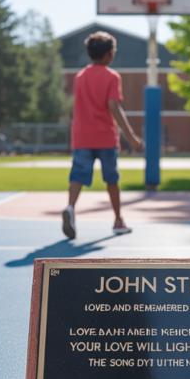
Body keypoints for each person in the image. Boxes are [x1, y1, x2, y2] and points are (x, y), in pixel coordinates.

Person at [62, 31, 143, 240]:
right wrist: (131, 136)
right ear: (109, 54)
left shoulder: (80, 77)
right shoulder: (112, 77)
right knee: (112, 179)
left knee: (78, 175)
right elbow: (113, 105)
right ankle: (118, 220)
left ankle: (70, 207)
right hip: (104, 137)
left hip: (81, 136)